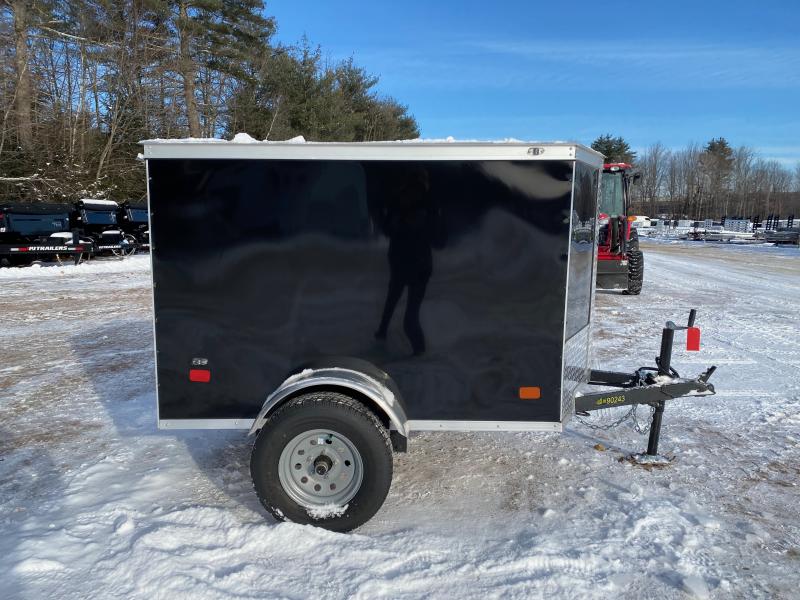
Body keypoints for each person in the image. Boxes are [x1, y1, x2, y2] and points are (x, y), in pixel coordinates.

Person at [374, 168, 445, 356]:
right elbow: (388, 228)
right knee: (391, 305)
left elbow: (439, 240)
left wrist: (418, 222)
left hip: (417, 266)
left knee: (408, 317)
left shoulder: (427, 208)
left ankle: (419, 353)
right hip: (403, 263)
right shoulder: (400, 204)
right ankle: (387, 338)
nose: (412, 194)